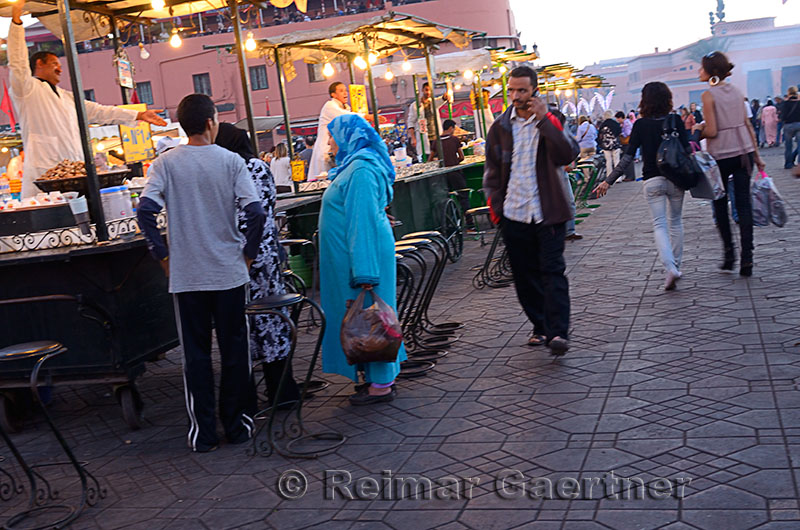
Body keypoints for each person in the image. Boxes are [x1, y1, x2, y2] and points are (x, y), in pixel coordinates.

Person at [137, 94, 265, 452]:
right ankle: (237, 426)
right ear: (212, 122)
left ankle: (203, 433)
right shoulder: (231, 162)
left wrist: (162, 256)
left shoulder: (165, 164)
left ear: (181, 125)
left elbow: (145, 212)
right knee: (235, 351)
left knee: (195, 355)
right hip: (228, 272)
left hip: (187, 275)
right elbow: (255, 213)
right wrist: (249, 256)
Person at [7, 0, 166, 198]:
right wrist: (16, 20)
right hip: (43, 176)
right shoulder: (27, 89)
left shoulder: (67, 97)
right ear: (39, 64)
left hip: (75, 175)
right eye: (55, 64)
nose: (60, 69)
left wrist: (138, 114)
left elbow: (101, 111)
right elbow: (17, 62)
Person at [483, 66, 579, 356]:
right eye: (511, 90)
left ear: (534, 91)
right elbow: (492, 173)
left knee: (553, 271)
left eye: (522, 90)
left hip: (547, 210)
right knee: (525, 277)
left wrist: (544, 120)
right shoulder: (500, 127)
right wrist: (497, 210)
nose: (516, 96)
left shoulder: (553, 119)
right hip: (514, 211)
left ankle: (558, 332)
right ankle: (540, 325)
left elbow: (568, 154)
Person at [318, 114, 406, 405]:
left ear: (348, 137)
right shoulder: (354, 166)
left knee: (373, 318)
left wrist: (365, 271)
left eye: (332, 135)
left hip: (360, 256)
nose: (329, 141)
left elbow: (362, 218)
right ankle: (375, 378)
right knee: (366, 317)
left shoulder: (360, 169)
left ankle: (381, 384)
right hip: (354, 253)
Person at [214, 123, 299, 409]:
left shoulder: (249, 167)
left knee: (265, 322)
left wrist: (244, 250)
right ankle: (273, 394)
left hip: (254, 257)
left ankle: (280, 394)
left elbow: (253, 215)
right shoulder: (236, 167)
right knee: (256, 325)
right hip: (250, 256)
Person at [593, 83, 689, 291]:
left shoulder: (641, 124)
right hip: (676, 178)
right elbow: (688, 148)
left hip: (652, 179)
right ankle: (677, 266)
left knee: (659, 225)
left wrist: (609, 180)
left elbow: (628, 157)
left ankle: (670, 267)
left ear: (645, 100)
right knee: (676, 222)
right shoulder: (675, 120)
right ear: (668, 99)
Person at [692, 51, 765, 277]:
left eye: (702, 68)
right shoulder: (736, 91)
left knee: (721, 205)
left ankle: (729, 255)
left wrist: (697, 130)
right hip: (744, 152)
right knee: (743, 206)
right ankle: (747, 258)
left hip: (721, 156)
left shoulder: (708, 95)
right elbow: (748, 125)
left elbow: (712, 130)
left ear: (712, 72)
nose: (699, 71)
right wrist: (757, 157)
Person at [307, 82, 370, 179]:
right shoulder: (330, 106)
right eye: (341, 91)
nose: (345, 93)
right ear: (333, 94)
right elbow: (344, 116)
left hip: (337, 149)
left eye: (345, 91)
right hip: (326, 151)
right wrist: (366, 116)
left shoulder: (346, 108)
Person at [407, 82, 444, 160]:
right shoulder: (415, 105)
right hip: (423, 138)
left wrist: (446, 96)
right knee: (427, 159)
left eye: (430, 90)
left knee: (439, 159)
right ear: (422, 90)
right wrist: (413, 138)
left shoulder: (433, 102)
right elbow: (410, 122)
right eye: (426, 90)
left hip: (436, 137)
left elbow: (441, 100)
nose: (428, 92)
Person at [782, 86, 800, 169]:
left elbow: (783, 116)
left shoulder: (785, 103)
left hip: (788, 125)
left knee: (788, 145)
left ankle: (788, 164)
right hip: (799, 124)